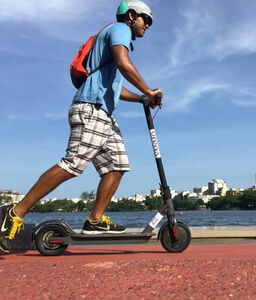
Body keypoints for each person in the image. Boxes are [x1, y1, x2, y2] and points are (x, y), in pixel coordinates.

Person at [0, 0, 163, 253]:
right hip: (90, 109)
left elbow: (117, 90)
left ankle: (95, 221)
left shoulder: (118, 41)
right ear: (131, 16)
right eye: (146, 20)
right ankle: (14, 213)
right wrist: (149, 90)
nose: (148, 26)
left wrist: (143, 98)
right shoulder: (120, 30)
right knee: (72, 164)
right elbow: (123, 63)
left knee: (117, 165)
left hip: (104, 115)